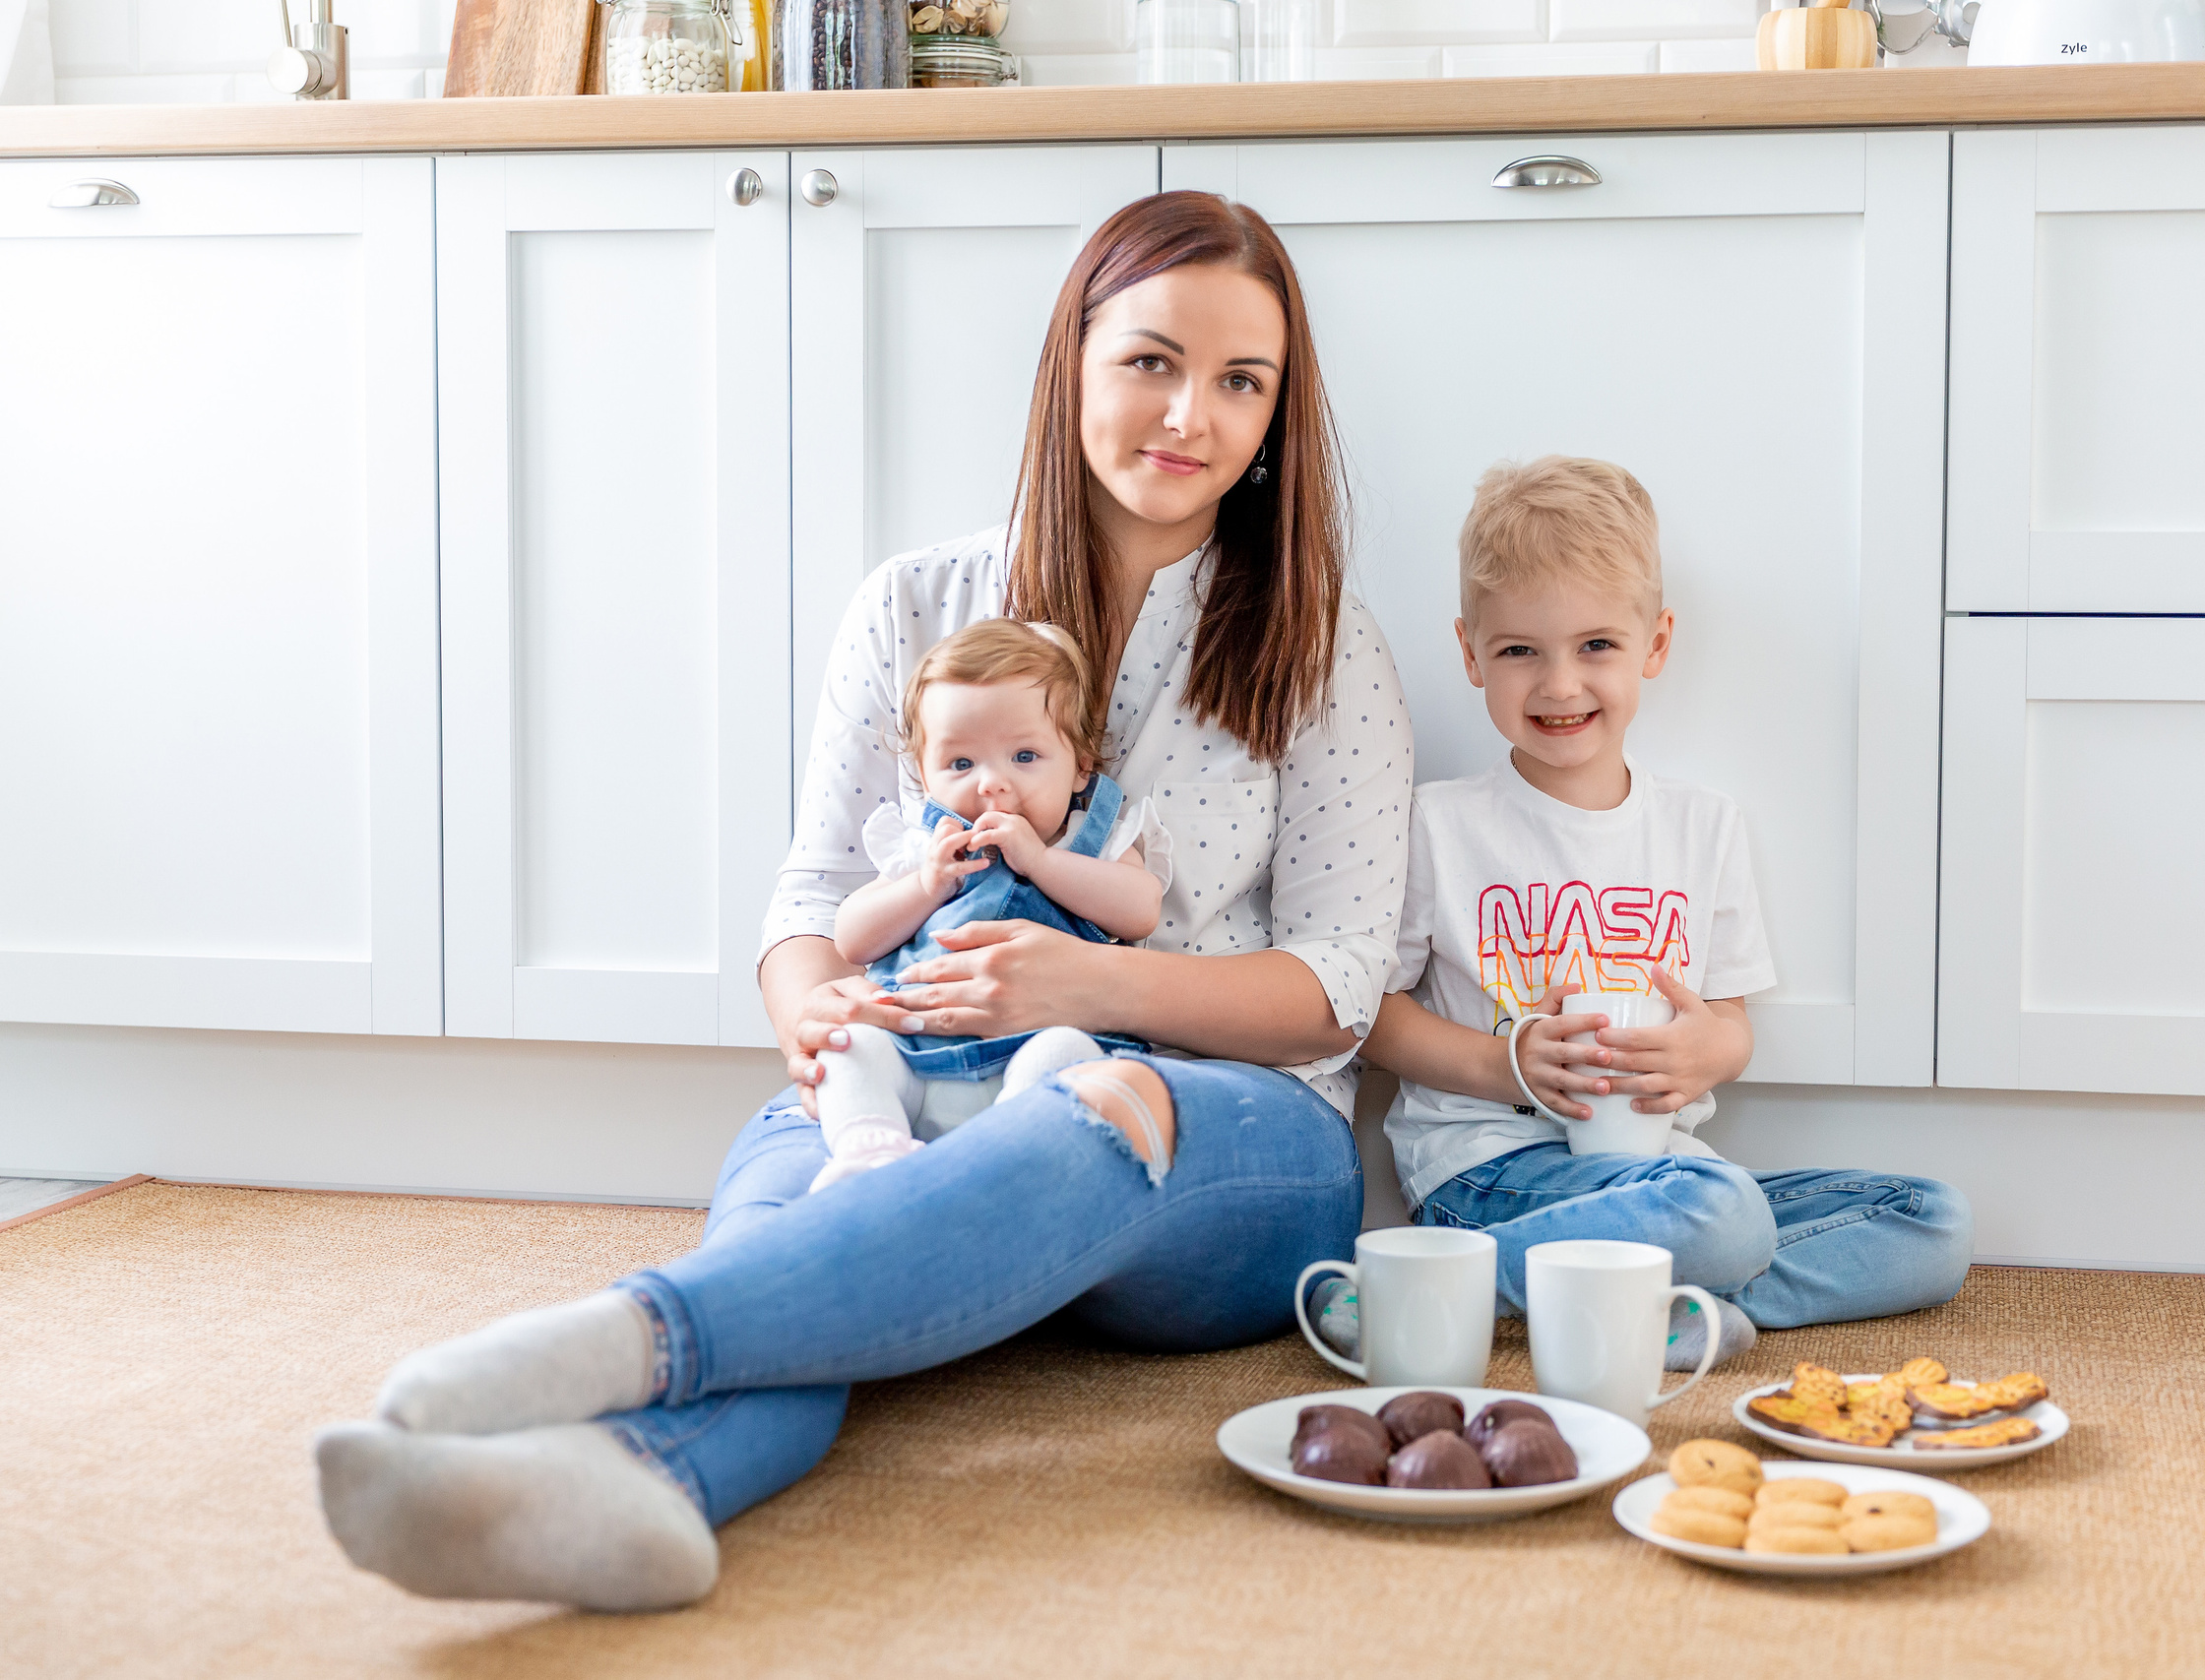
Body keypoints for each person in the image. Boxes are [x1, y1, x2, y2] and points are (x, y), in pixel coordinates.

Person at [310, 191, 1411, 1613]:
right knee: (803, 1196)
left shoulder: (1322, 644)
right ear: (1071, 363)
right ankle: (638, 1485)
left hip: (1226, 1133)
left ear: (1276, 413)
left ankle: (623, 1339)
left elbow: (1336, 985)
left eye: (1241, 380)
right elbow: (813, 895)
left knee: (1093, 1104)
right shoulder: (914, 601)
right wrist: (823, 1018)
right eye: (1150, 360)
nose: (1190, 414)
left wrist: (1090, 988)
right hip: (923, 1070)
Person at [1343, 456, 1971, 1374]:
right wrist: (1507, 1062)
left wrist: (1705, 1052)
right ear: (1471, 653)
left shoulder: (1702, 826)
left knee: (1933, 1221)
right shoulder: (1439, 825)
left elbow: (1730, 1023)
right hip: (1489, 1171)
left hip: (1660, 1172)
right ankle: (1434, 1288)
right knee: (1721, 1214)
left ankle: (1665, 1301)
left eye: (1596, 644)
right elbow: (1368, 1016)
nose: (1560, 685)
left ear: (1656, 643)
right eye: (1520, 650)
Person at [810, 618, 1167, 1191]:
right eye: (961, 764)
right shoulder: (924, 849)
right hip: (916, 1055)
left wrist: (1042, 863)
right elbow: (852, 937)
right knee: (848, 1048)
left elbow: (1140, 909)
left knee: (1070, 1053)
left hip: (1031, 1061)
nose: (991, 784)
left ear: (1080, 764)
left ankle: (1011, 1161)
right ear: (924, 776)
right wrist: (927, 885)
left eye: (1024, 756)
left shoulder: (1090, 841)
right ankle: (871, 1149)